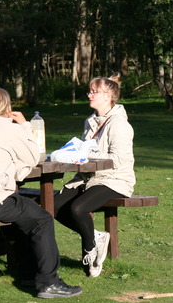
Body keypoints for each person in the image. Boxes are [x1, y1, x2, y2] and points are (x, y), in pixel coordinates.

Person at [0, 87, 82, 298]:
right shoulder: (7, 129)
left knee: (20, 215)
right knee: (41, 219)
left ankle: (29, 274)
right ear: (8, 107)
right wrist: (25, 125)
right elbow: (34, 156)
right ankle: (49, 282)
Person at [54, 75, 135, 277]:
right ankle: (96, 237)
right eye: (89, 91)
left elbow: (118, 160)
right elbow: (85, 151)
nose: (89, 95)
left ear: (107, 96)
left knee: (78, 208)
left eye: (93, 91)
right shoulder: (90, 122)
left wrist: (84, 154)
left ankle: (90, 250)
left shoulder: (119, 124)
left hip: (114, 179)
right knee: (51, 205)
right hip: (87, 179)